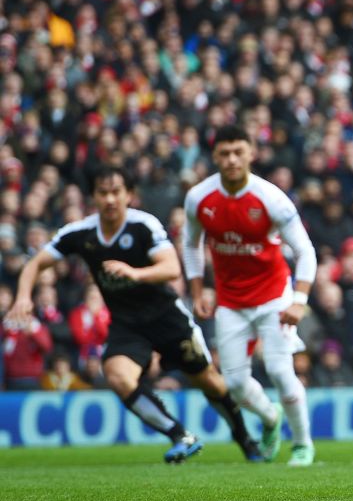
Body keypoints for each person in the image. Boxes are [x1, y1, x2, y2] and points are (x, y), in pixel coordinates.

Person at [4, 166, 261, 463]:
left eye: (116, 192)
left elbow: (171, 268)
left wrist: (135, 273)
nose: (111, 199)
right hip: (127, 323)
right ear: (93, 197)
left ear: (129, 195)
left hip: (166, 317)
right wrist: (23, 297)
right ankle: (180, 435)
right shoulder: (80, 233)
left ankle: (244, 437)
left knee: (209, 382)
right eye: (103, 192)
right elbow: (35, 264)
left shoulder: (143, 225)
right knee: (117, 376)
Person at [184, 124, 319, 466]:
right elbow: (190, 244)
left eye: (237, 152)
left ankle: (302, 444)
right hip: (231, 303)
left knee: (279, 370)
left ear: (251, 154)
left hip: (275, 297)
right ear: (214, 156)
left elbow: (306, 251)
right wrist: (198, 289)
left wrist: (299, 300)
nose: (231, 160)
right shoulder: (199, 198)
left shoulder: (271, 198)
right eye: (224, 153)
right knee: (235, 384)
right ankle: (271, 418)